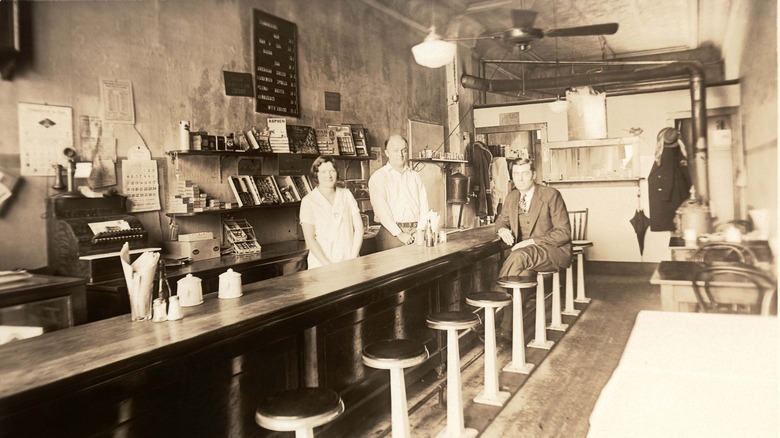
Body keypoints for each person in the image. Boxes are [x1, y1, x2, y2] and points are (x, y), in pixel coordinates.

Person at [495, 158, 572, 278]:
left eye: (525, 173)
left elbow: (564, 233)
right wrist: (502, 230)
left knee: (519, 255)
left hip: (551, 250)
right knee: (522, 273)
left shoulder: (551, 194)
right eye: (516, 174)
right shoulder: (511, 197)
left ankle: (500, 295)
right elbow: (501, 221)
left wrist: (530, 242)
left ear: (534, 175)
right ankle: (513, 296)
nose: (520, 179)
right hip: (525, 254)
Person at [299, 155, 363, 269]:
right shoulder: (308, 201)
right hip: (321, 265)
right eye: (323, 172)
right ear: (316, 174)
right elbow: (310, 239)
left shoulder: (346, 195)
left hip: (349, 260)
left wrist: (353, 257)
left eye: (332, 171)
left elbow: (359, 228)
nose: (328, 176)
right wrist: (327, 265)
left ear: (337, 173)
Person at [368, 134, 430, 251]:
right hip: (391, 233)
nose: (400, 154)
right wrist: (399, 234)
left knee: (419, 268)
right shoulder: (379, 177)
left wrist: (420, 230)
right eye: (395, 150)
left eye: (404, 150)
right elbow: (381, 211)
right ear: (387, 153)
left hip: (416, 232)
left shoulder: (414, 176)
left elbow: (424, 205)